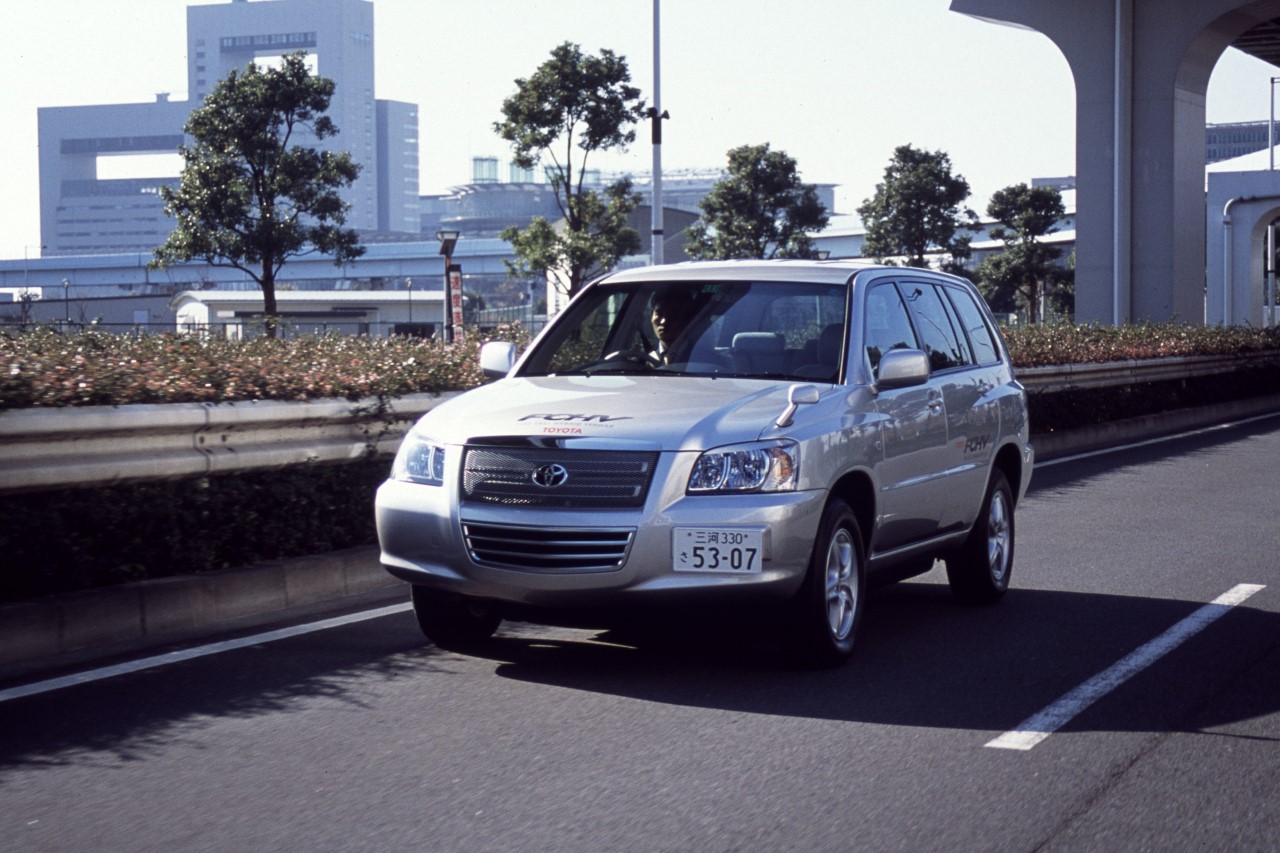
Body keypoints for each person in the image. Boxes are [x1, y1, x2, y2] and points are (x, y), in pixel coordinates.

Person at [649, 289, 697, 363]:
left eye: (671, 315)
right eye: (659, 314)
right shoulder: (643, 361)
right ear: (651, 316)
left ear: (686, 319)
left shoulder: (701, 359)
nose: (663, 321)